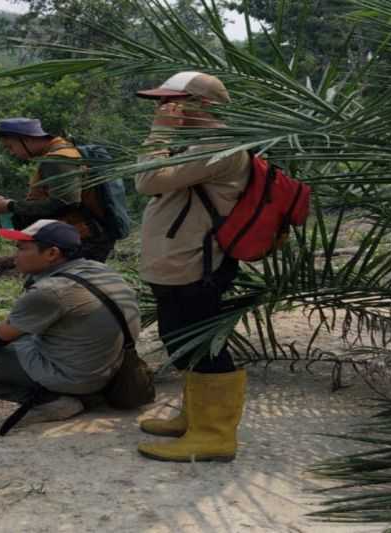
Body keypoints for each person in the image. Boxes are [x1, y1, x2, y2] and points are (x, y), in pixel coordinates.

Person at [133, 72, 249, 462]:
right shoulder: (200, 143)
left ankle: (215, 435)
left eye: (171, 101)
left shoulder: (221, 145)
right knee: (181, 341)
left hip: (197, 265)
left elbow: (148, 180)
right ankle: (195, 417)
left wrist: (160, 133)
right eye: (160, 103)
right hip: (179, 262)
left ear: (202, 104)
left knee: (202, 346)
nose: (162, 109)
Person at [0, 219, 140, 426]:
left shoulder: (50, 291)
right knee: (23, 335)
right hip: (112, 371)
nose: (16, 255)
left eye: (22, 249)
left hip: (78, 378)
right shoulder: (100, 270)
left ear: (52, 253)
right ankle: (83, 394)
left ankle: (51, 400)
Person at [0, 118, 117, 262]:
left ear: (26, 139)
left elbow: (64, 203)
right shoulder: (59, 152)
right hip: (79, 235)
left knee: (66, 282)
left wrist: (9, 205)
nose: (11, 152)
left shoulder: (58, 159)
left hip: (82, 238)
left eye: (10, 146)